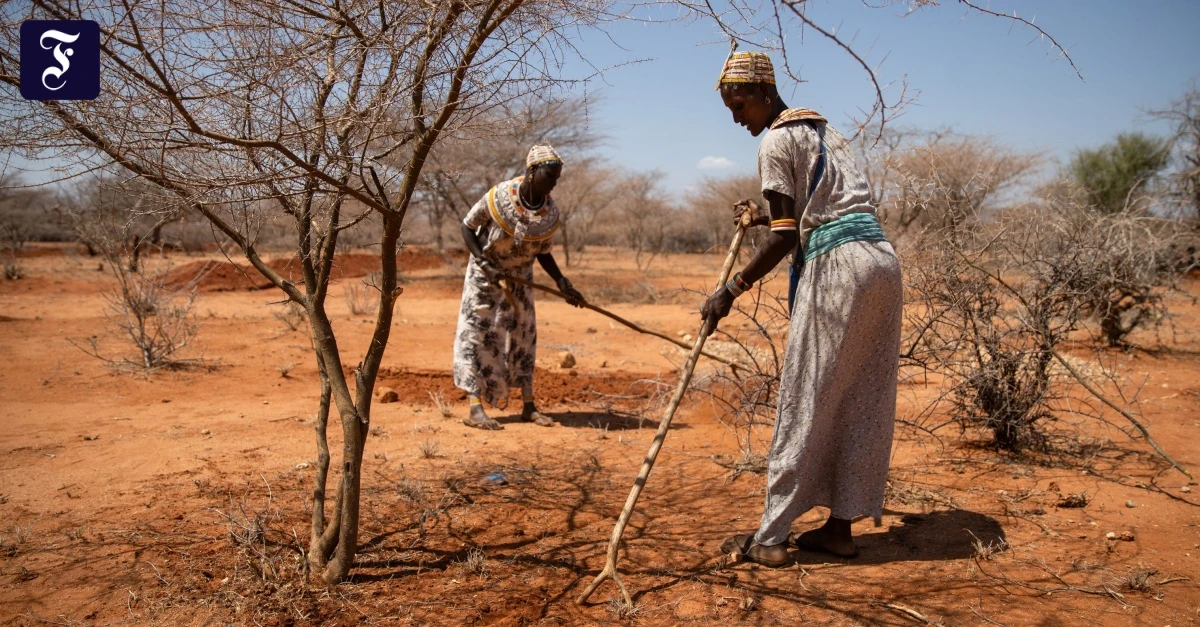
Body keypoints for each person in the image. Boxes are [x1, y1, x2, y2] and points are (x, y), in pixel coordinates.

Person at [700, 50, 903, 566]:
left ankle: (770, 539)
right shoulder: (826, 132)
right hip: (881, 263)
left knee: (806, 396)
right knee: (863, 394)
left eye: (739, 105)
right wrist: (764, 218)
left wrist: (733, 288)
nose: (736, 119)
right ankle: (839, 530)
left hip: (838, 269)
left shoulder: (775, 140)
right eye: (728, 110)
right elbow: (821, 212)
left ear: (765, 93)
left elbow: (790, 236)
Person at [453, 144, 586, 430]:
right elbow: (467, 227)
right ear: (532, 171)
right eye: (550, 176)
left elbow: (543, 252)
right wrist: (484, 264)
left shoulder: (549, 213)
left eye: (557, 178)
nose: (553, 183)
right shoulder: (498, 197)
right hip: (484, 275)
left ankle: (528, 406)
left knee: (524, 336)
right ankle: (476, 408)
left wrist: (562, 282)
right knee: (477, 336)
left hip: (521, 278)